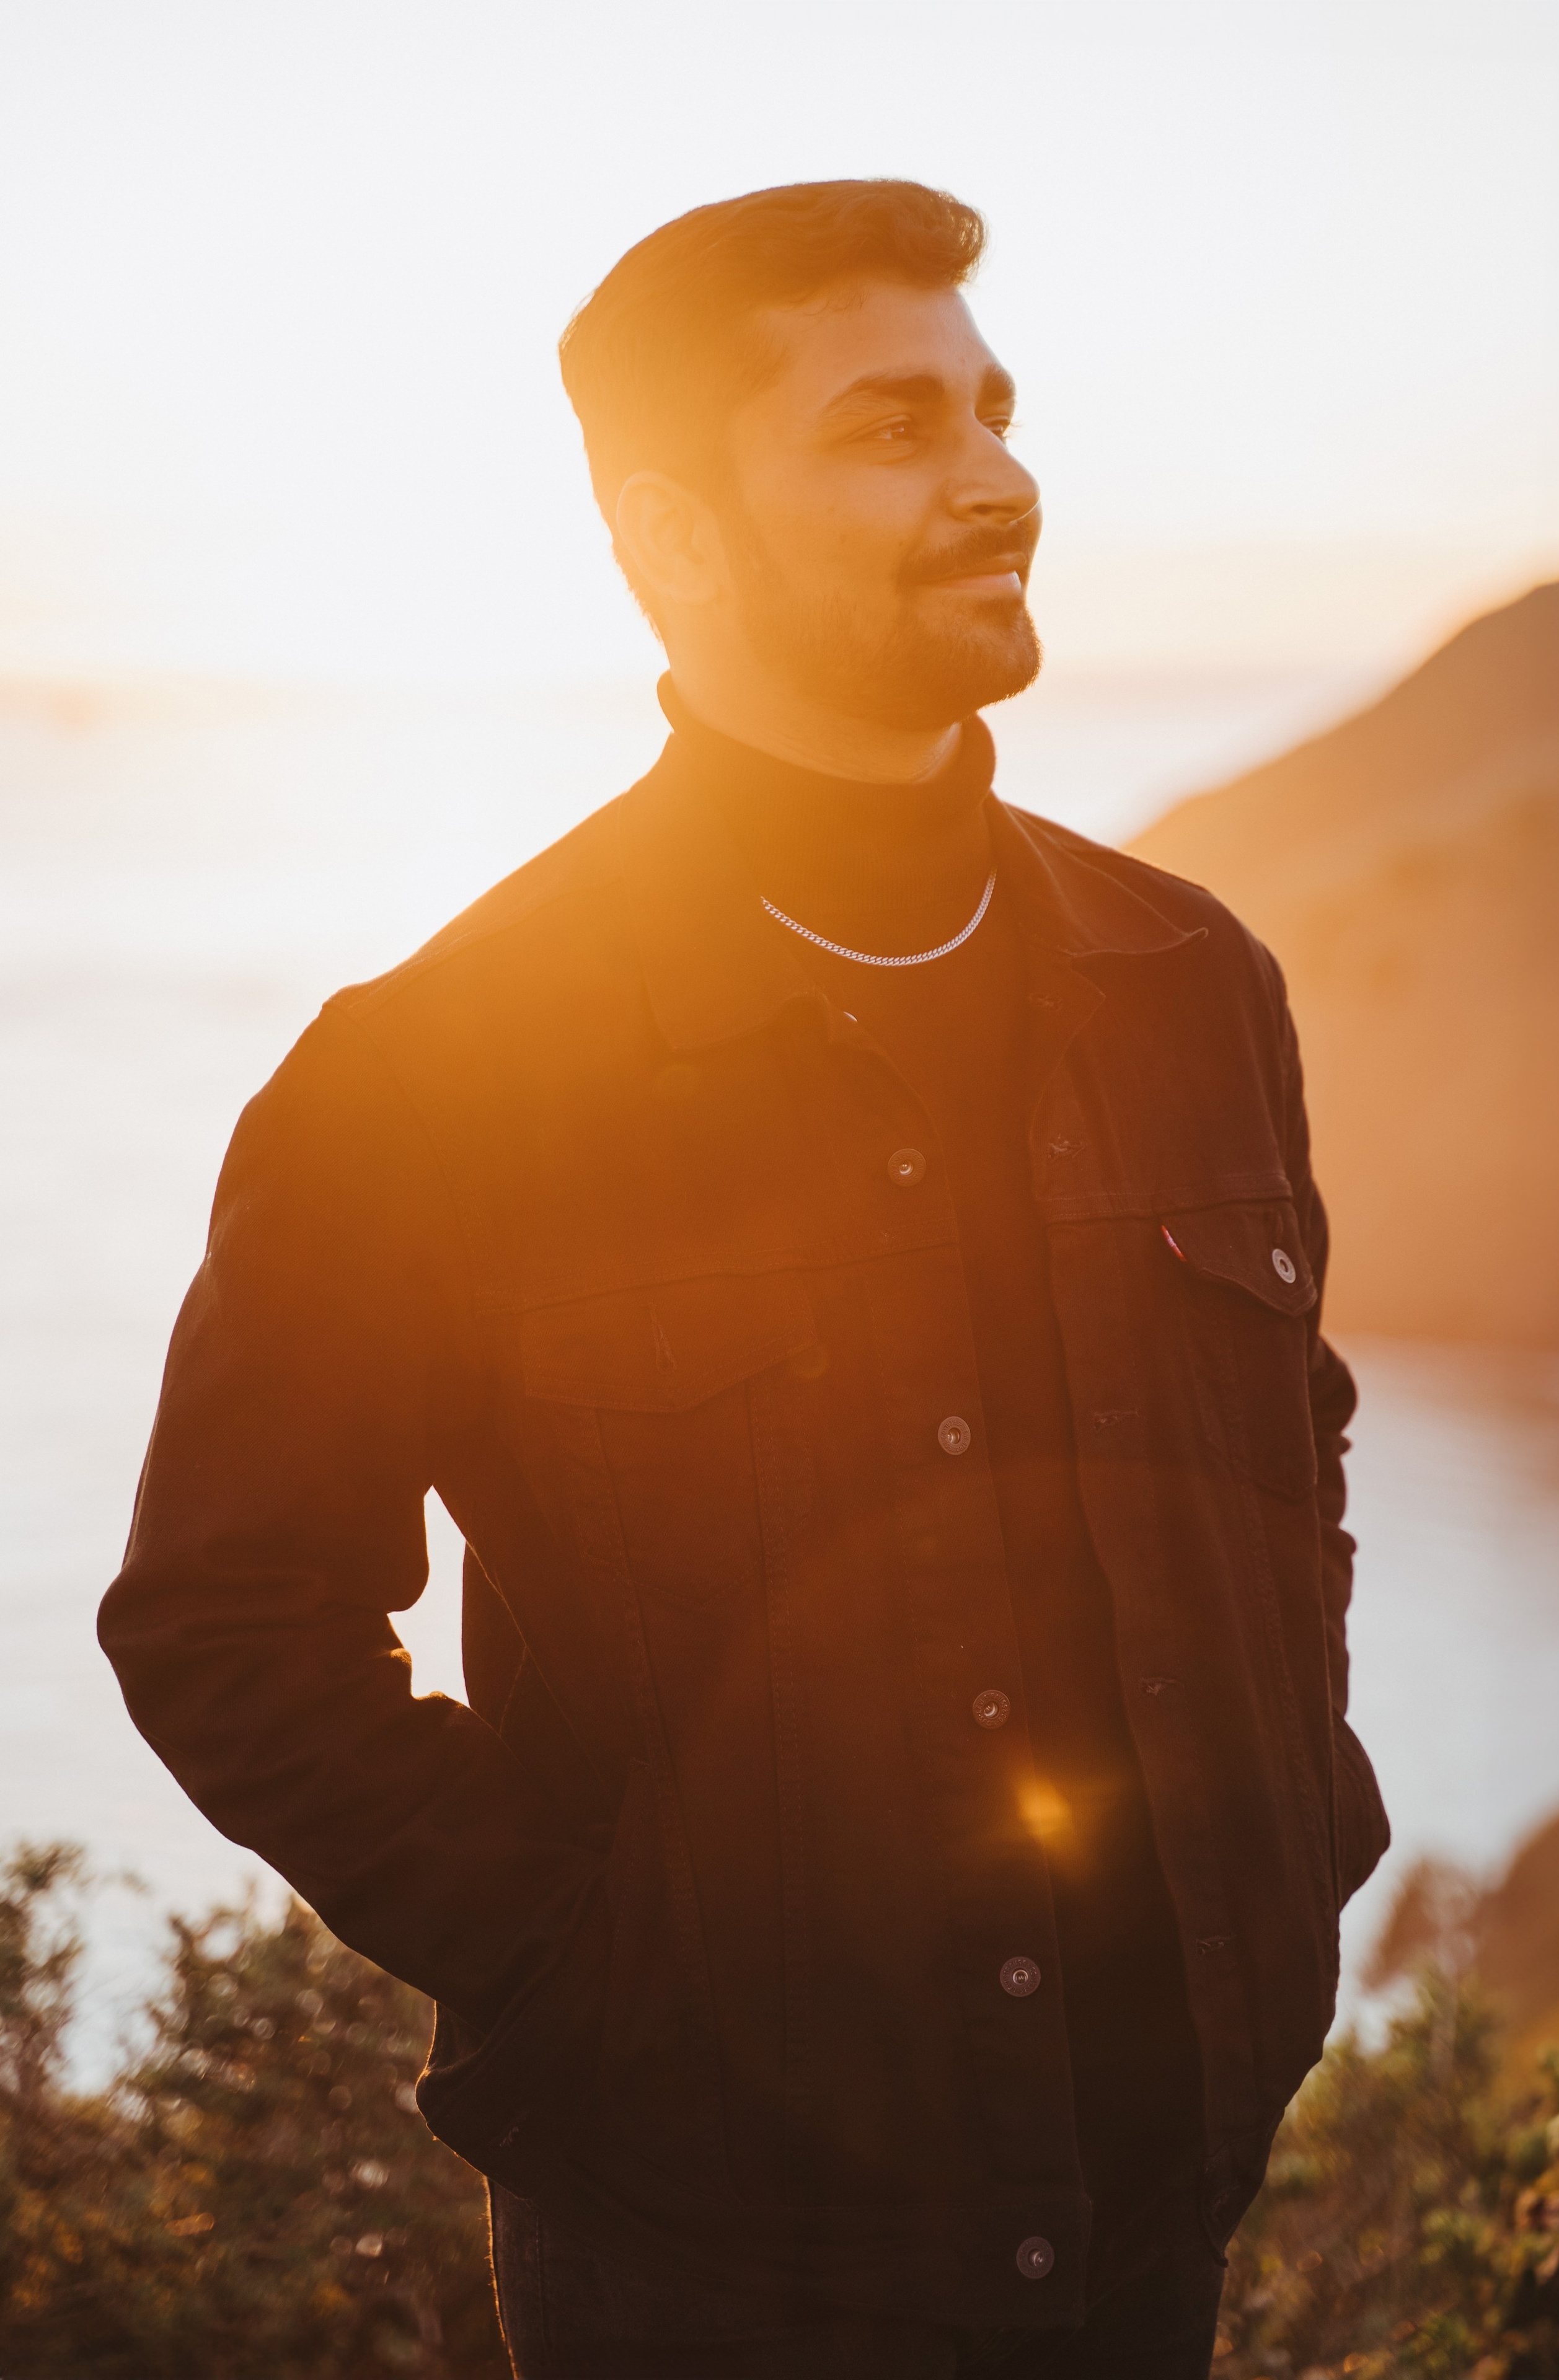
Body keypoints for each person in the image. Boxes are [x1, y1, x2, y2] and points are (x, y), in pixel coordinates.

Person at [99, 179, 1389, 2378]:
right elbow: (228, 1624)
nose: (996, 479)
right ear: (674, 537)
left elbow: (1294, 1446)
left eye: (994, 408)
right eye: (892, 428)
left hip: (1162, 2189)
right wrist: (612, 1978)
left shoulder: (1193, 978)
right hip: (714, 2267)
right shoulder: (434, 1069)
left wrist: (1298, 1846)